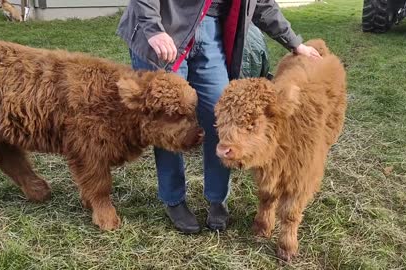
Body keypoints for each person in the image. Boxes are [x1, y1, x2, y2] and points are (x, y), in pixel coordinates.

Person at [116, 0, 321, 234]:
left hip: (212, 28)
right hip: (166, 26)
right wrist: (153, 28)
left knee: (223, 117)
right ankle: (174, 200)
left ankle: (217, 197)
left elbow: (262, 3)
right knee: (168, 119)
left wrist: (294, 43)